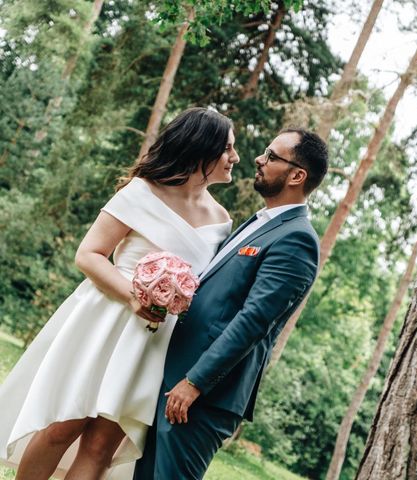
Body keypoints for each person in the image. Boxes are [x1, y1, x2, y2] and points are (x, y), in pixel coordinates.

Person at [0, 107, 239, 480]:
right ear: (202, 148)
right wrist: (134, 296)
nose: (235, 158)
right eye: (227, 148)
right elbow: (89, 254)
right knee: (62, 425)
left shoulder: (221, 220)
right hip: (105, 319)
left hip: (152, 341)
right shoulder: (142, 191)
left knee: (100, 447)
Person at [133, 128, 329, 479]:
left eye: (271, 156)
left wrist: (195, 382)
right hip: (175, 380)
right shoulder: (259, 223)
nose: (258, 158)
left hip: (202, 396)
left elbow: (253, 321)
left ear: (297, 176)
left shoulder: (297, 239)